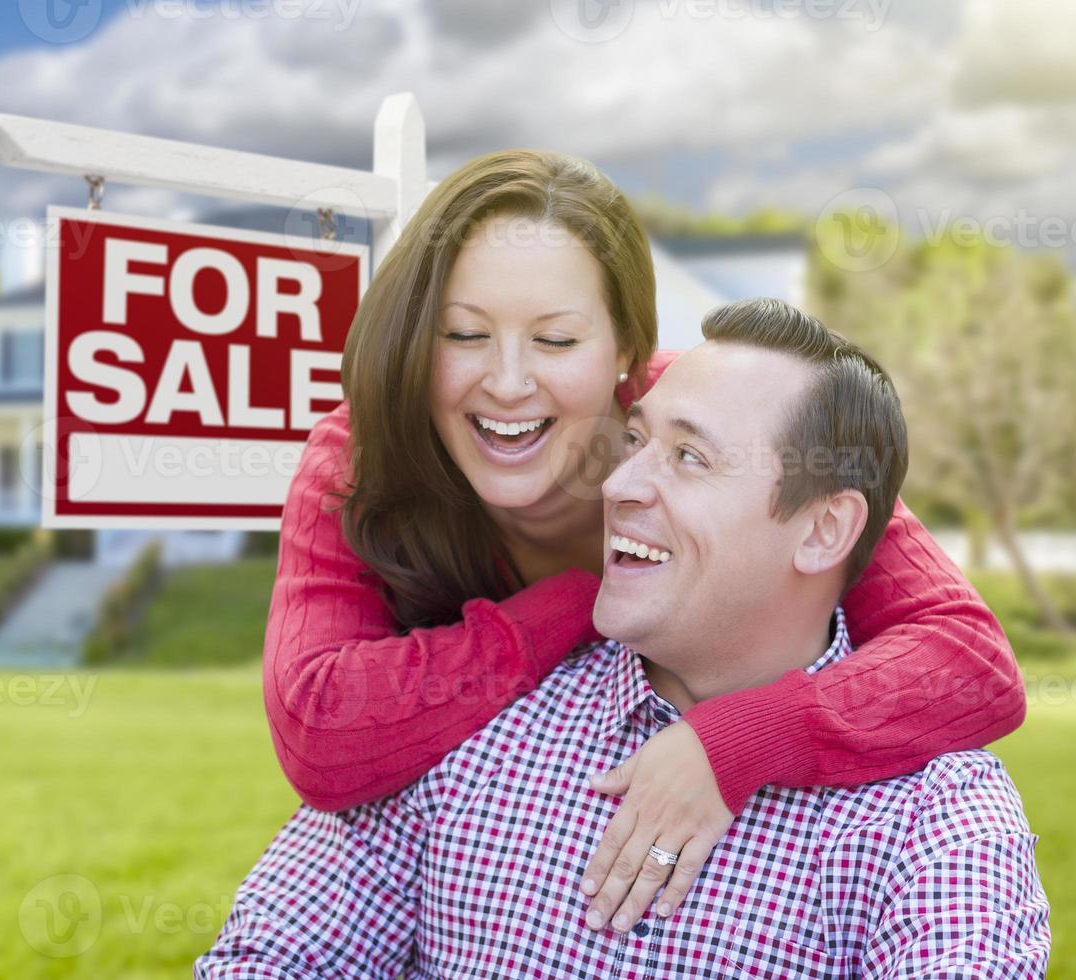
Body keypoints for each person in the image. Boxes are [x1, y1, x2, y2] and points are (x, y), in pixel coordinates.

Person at [263, 149, 1024, 930]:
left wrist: (737, 741)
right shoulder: (364, 456)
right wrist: (574, 603)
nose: (509, 382)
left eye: (557, 341)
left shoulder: (706, 419)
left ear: (626, 351)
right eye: (463, 334)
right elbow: (321, 730)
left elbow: (970, 662)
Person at [198, 299, 1050, 977]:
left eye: (690, 459)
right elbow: (266, 958)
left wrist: (740, 742)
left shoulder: (937, 822)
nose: (618, 483)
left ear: (825, 532)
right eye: (635, 442)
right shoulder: (473, 721)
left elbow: (972, 656)